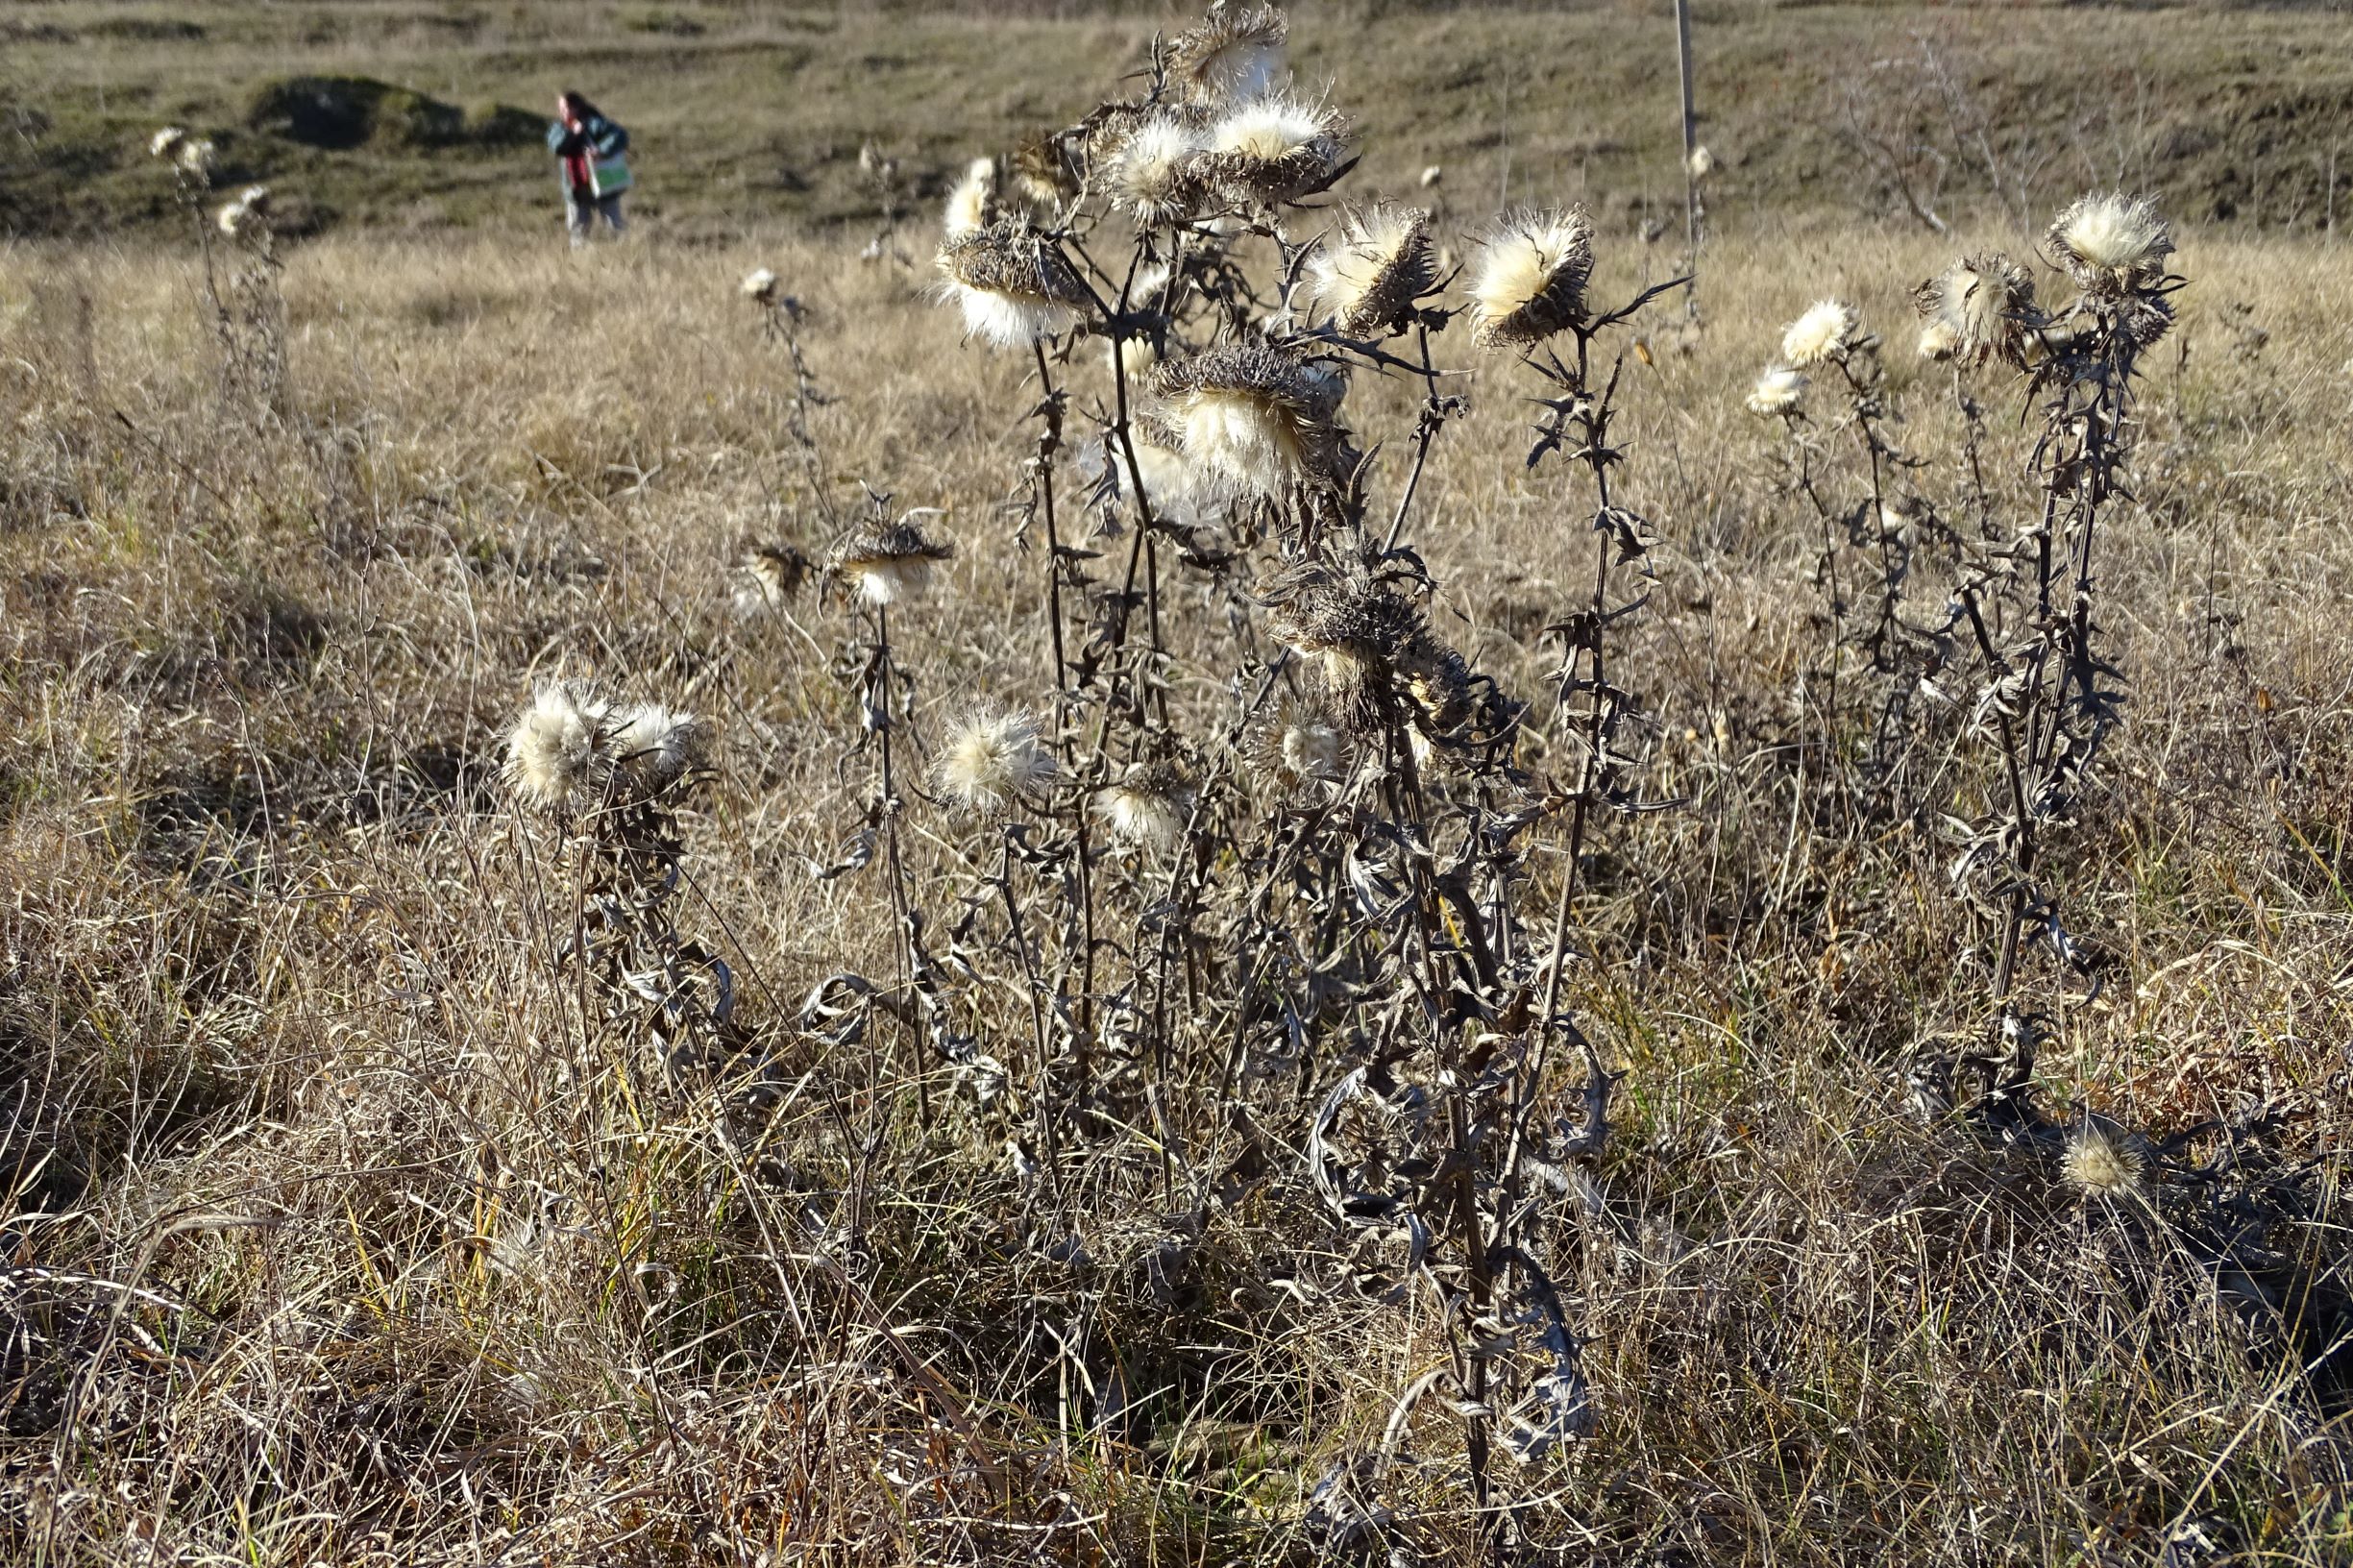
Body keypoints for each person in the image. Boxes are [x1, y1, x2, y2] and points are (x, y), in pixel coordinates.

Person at [548, 90, 630, 247]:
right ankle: (580, 259)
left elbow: (620, 135)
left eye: (566, 108)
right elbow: (558, 147)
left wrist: (601, 150)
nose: (562, 113)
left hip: (603, 181)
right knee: (578, 227)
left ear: (576, 108)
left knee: (615, 225)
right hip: (575, 187)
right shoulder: (558, 128)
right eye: (561, 109)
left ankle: (625, 253)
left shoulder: (596, 124)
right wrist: (573, 133)